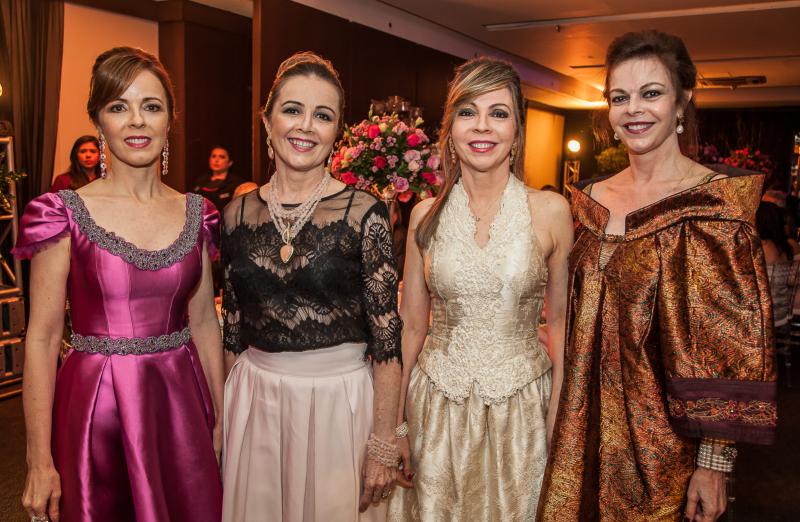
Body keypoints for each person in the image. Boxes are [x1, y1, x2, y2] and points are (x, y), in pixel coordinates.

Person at [538, 30, 777, 522]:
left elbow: (728, 348)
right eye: (619, 98)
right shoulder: (586, 202)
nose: (634, 110)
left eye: (651, 93)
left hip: (663, 447)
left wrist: (713, 464)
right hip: (577, 429)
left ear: (682, 100)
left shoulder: (712, 208)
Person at [15, 47, 224, 522]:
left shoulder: (198, 212)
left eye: (151, 106)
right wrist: (38, 460)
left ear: (169, 120)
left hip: (179, 405)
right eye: (118, 106)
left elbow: (204, 323)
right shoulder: (62, 213)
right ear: (98, 122)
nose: (137, 121)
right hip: (96, 409)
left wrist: (221, 418)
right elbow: (43, 338)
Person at [387, 57, 573, 521]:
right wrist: (397, 424)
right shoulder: (424, 216)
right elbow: (411, 328)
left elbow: (562, 327)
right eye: (468, 112)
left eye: (499, 113)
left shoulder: (551, 211)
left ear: (517, 130)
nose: (482, 126)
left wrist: (558, 419)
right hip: (436, 412)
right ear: (450, 129)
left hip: (521, 414)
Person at [221, 52, 403, 521]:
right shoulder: (236, 215)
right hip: (256, 401)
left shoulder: (363, 213)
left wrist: (384, 443)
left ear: (336, 131)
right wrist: (225, 422)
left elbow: (387, 342)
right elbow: (232, 331)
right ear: (267, 120)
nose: (305, 126)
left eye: (322, 115)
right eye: (292, 110)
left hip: (338, 405)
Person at [191, 146, 247, 210]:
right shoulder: (200, 181)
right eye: (213, 156)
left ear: (230, 163)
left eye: (222, 157)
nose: (216, 160)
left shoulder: (237, 183)